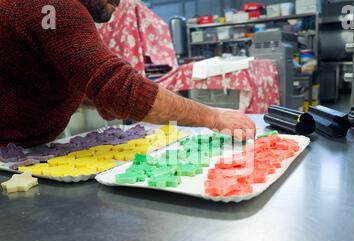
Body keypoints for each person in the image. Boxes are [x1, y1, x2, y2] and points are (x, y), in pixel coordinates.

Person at [0, 0, 256, 147]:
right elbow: (120, 87)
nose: (120, 1)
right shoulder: (58, 7)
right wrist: (212, 116)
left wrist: (94, 95)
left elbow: (33, 79)